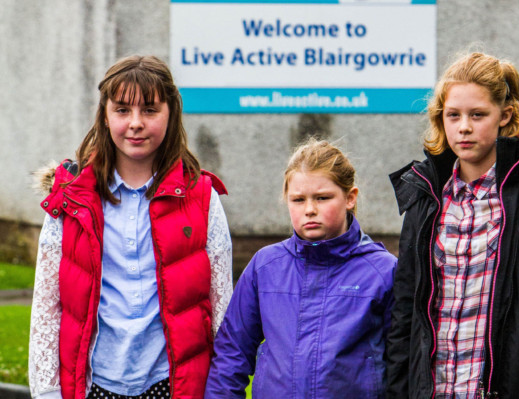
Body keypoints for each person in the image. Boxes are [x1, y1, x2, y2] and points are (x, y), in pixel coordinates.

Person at [28, 55, 233, 399]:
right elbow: (47, 306)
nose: (135, 122)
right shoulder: (71, 198)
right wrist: (47, 391)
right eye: (122, 109)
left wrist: (223, 389)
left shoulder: (201, 198)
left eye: (150, 110)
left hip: (173, 384)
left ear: (171, 114)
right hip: (95, 384)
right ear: (105, 116)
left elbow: (223, 304)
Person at [386, 52, 519, 398]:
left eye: (478, 115)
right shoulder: (425, 198)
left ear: (505, 116)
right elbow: (405, 314)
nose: (463, 127)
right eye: (453, 115)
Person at [204, 139, 396, 399]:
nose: (309, 210)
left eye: (322, 198)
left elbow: (403, 366)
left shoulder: (383, 271)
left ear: (350, 198)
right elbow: (231, 354)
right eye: (298, 200)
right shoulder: (265, 266)